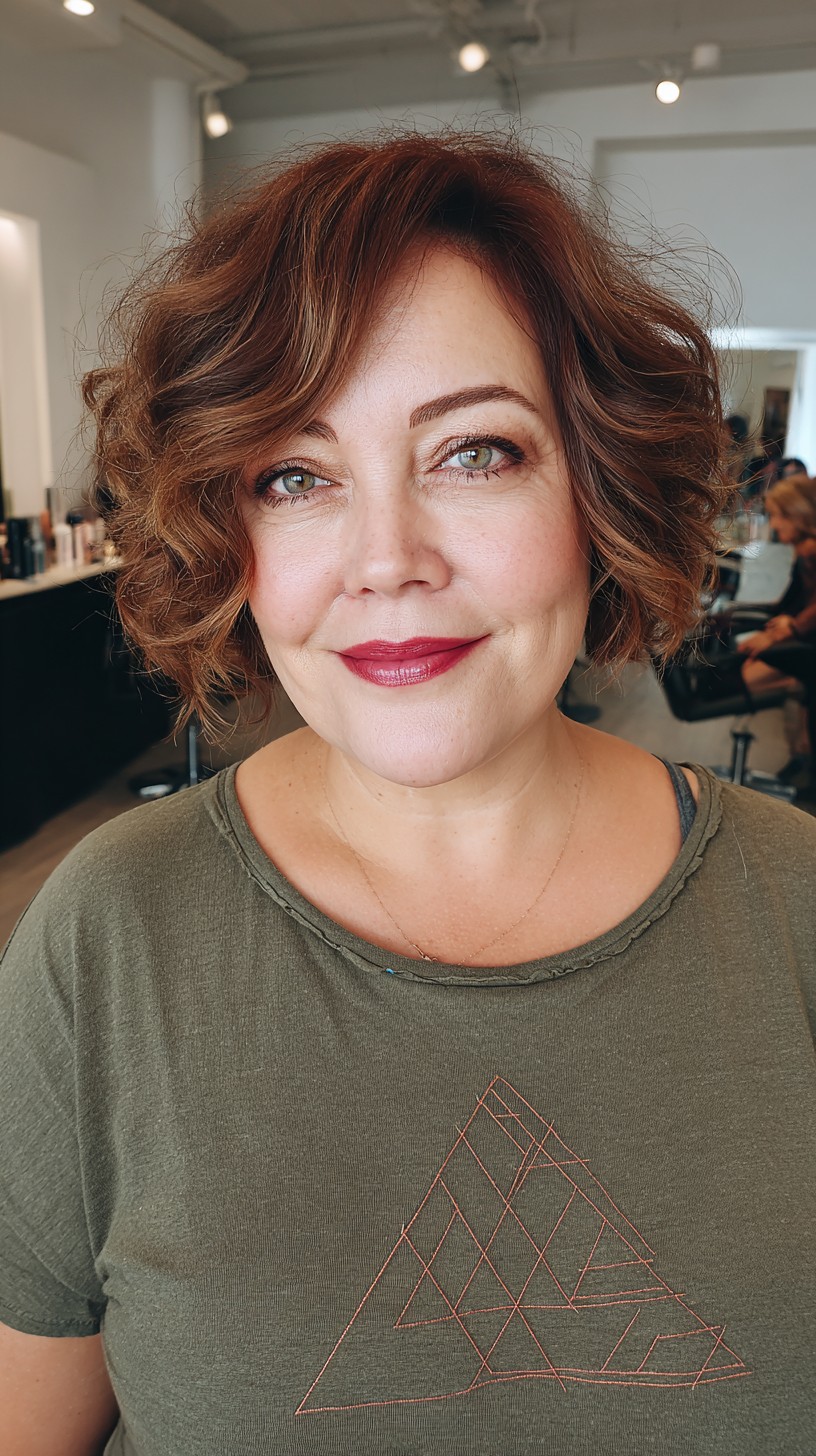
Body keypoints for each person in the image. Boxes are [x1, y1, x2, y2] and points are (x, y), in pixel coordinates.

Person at [1, 130, 814, 1456]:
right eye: (295, 476)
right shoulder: (109, 941)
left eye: (474, 453)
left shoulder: (799, 915)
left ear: (598, 482)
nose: (386, 559)